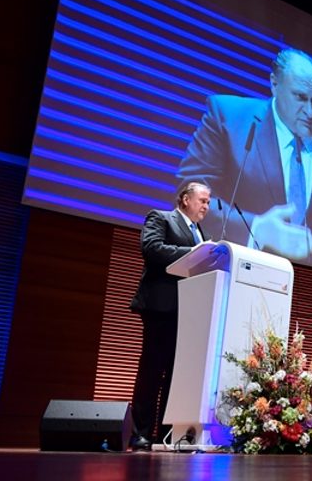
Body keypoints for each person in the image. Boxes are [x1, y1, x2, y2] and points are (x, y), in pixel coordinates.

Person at [177, 48, 312, 276]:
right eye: (300, 97)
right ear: (274, 84)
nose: (309, 112)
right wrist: (257, 229)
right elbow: (188, 194)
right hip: (234, 277)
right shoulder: (228, 118)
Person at [129, 181, 211, 450]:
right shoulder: (161, 218)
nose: (206, 207)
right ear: (185, 199)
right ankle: (140, 432)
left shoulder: (200, 233)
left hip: (189, 313)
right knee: (152, 371)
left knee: (176, 377)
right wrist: (193, 253)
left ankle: (165, 434)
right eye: (203, 201)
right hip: (161, 306)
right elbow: (151, 249)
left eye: (208, 202)